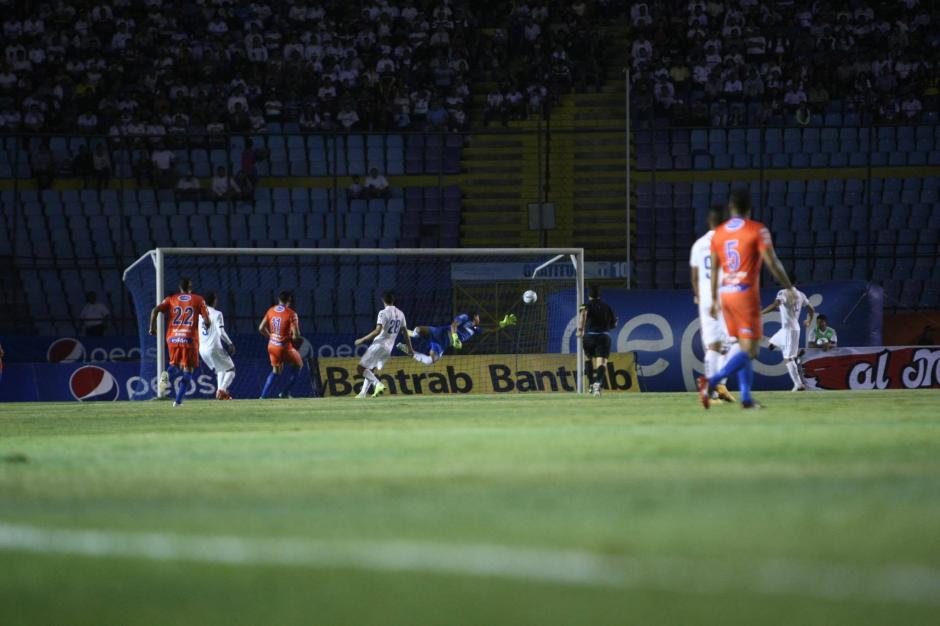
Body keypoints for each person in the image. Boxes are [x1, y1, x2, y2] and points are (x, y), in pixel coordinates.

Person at [697, 188, 794, 410]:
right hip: (745, 294)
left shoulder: (719, 233)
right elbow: (772, 262)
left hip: (725, 296)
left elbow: (716, 269)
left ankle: (747, 399)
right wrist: (789, 287)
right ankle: (712, 382)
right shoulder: (757, 229)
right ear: (750, 208)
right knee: (750, 351)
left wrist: (714, 300)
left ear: (731, 207)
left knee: (742, 349)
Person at [689, 206, 735, 403]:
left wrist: (698, 295)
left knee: (716, 345)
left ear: (709, 221)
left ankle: (715, 388)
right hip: (725, 296)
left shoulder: (699, 245)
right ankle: (714, 387)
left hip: (706, 298)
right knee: (728, 344)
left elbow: (694, 276)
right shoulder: (729, 243)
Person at [150, 277, 211, 407]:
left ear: (180, 287)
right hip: (189, 339)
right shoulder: (198, 299)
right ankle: (177, 401)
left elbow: (155, 310)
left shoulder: (171, 299)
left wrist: (152, 328)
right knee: (188, 370)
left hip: (172, 338)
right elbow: (207, 320)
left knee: (174, 364)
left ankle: (165, 377)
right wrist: (207, 326)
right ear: (190, 287)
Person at [354, 291, 413, 398]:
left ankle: (378, 384)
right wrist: (410, 349)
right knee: (371, 369)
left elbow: (377, 331)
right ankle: (362, 393)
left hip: (379, 344)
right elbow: (405, 333)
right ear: (393, 300)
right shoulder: (401, 314)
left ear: (383, 300)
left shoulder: (383, 313)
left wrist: (362, 340)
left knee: (360, 368)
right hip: (388, 348)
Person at [763, 285, 816, 391]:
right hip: (785, 329)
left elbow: (775, 305)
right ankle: (795, 352)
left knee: (787, 358)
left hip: (789, 330)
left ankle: (799, 384)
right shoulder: (801, 294)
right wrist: (809, 320)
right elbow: (811, 309)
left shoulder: (783, 292)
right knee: (771, 345)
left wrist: (761, 313)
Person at [407, 311, 517, 355]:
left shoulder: (475, 329)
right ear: (475, 316)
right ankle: (409, 333)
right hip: (442, 333)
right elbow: (453, 325)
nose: (479, 319)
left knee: (431, 361)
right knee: (419, 329)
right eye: (478, 317)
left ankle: (409, 350)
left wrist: (502, 325)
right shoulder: (465, 317)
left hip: (444, 344)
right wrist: (455, 338)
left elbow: (491, 331)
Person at [259, 290, 302, 399]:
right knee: (299, 365)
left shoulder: (271, 310)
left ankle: (263, 396)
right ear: (289, 300)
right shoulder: (291, 314)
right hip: (284, 347)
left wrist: (271, 337)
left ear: (278, 299)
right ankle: (285, 393)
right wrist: (294, 338)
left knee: (276, 371)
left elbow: (261, 328)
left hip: (272, 345)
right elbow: (296, 335)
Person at [576, 285, 618, 397]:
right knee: (602, 363)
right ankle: (597, 383)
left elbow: (583, 315)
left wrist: (580, 330)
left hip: (589, 336)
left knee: (588, 359)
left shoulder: (584, 306)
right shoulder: (607, 307)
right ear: (600, 295)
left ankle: (591, 383)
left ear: (589, 295)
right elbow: (614, 324)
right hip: (603, 336)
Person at [199, 292, 236, 400]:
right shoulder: (217, 314)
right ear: (215, 301)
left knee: (220, 369)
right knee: (231, 369)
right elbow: (221, 332)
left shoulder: (199, 314)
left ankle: (220, 394)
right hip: (213, 347)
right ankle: (222, 390)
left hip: (202, 349)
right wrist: (230, 343)